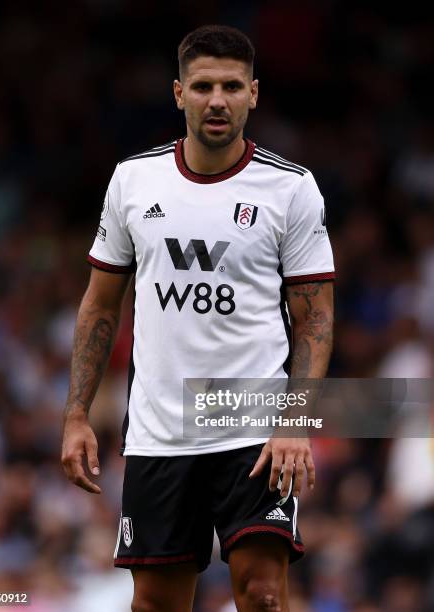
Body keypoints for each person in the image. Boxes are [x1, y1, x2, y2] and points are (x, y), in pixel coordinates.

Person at [61, 24, 335, 612]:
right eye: (204, 85)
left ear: (253, 94)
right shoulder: (133, 180)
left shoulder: (292, 188)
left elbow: (315, 317)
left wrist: (295, 421)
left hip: (254, 423)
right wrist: (77, 414)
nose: (218, 99)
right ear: (178, 93)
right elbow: (100, 305)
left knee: (262, 594)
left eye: (232, 86)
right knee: (156, 604)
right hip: (161, 428)